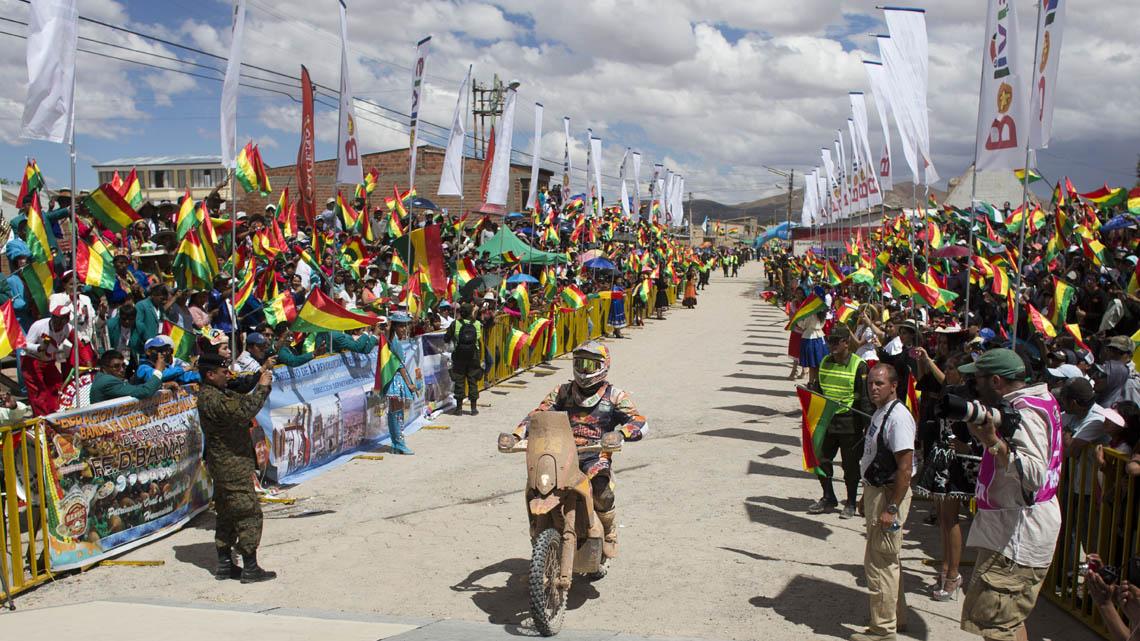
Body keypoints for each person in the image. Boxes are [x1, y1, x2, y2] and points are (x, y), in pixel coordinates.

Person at [956, 349, 1063, 641]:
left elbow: (1033, 474)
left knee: (995, 626)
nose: (972, 386)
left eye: (976, 379)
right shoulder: (1039, 399)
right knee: (1009, 623)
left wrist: (993, 442)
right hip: (1016, 527)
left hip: (1017, 536)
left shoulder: (1025, 413)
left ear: (995, 381)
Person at [512, 341, 646, 560]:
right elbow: (537, 415)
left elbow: (639, 421)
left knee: (602, 491)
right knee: (535, 487)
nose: (584, 371)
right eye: (580, 364)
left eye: (590, 365)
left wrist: (620, 434)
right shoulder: (562, 392)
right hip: (560, 452)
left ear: (604, 366)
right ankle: (538, 534)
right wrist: (517, 435)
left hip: (595, 454)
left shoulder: (615, 396)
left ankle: (609, 530)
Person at [197, 352, 276, 583]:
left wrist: (260, 383)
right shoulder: (213, 398)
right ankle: (250, 567)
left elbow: (241, 399)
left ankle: (224, 564)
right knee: (248, 513)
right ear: (210, 375)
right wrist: (262, 387)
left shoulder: (217, 393)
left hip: (225, 463)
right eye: (223, 372)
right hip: (232, 464)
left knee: (226, 513)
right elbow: (244, 411)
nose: (228, 375)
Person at [850, 363, 916, 641]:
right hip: (878, 491)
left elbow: (904, 467)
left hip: (890, 495)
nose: (874, 388)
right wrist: (867, 495)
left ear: (894, 385)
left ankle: (882, 630)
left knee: (880, 564)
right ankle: (894, 617)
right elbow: (875, 458)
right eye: (871, 384)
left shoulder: (898, 417)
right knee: (888, 559)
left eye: (880, 384)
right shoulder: (881, 412)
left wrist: (891, 507)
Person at [807, 325, 870, 518]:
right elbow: (819, 389)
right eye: (830, 341)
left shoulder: (859, 365)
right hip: (827, 421)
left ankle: (850, 502)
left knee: (850, 466)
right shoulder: (825, 362)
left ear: (846, 343)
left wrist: (867, 425)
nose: (831, 345)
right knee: (820, 459)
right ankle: (828, 496)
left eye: (836, 341)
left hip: (849, 423)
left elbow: (865, 399)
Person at [382, 312, 418, 455]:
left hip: (395, 379)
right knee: (396, 412)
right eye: (401, 326)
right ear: (395, 327)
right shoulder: (393, 340)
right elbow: (399, 365)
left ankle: (396, 443)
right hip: (396, 379)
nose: (404, 329)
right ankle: (399, 443)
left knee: (395, 411)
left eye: (405, 326)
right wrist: (409, 383)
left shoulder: (393, 340)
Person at [89, 349, 169, 404]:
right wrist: (158, 371)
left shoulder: (102, 378)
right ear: (104, 367)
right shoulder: (107, 381)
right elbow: (145, 392)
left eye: (123, 366)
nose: (122, 370)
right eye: (116, 366)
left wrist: (163, 386)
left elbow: (135, 388)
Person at [445, 303, 483, 415]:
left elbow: (446, 338)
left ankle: (459, 408)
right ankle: (473, 408)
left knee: (459, 381)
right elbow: (479, 338)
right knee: (473, 380)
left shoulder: (455, 324)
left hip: (459, 355)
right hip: (473, 355)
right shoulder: (476, 324)